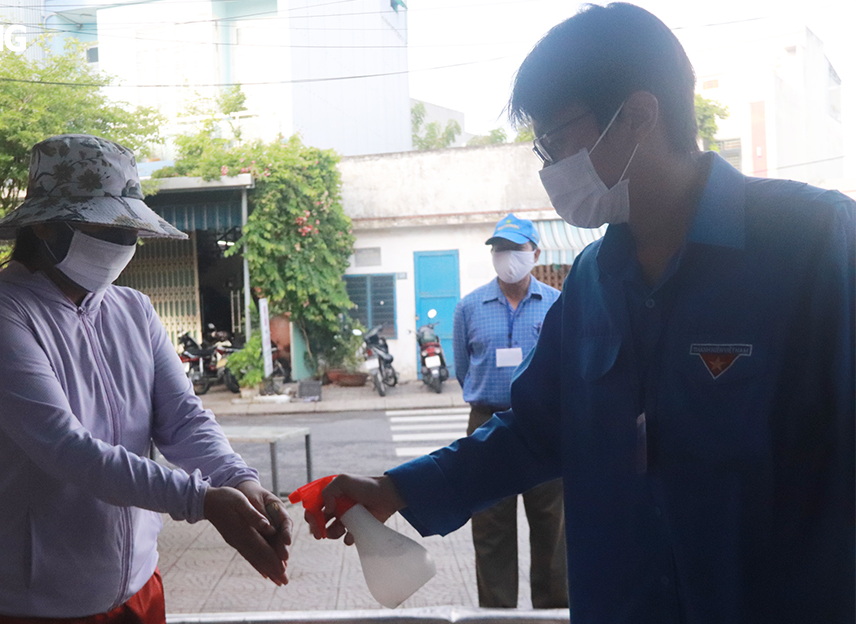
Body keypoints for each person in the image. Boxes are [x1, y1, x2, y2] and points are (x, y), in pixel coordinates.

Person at [304, 4, 855, 623]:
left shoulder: (813, 245)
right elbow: (540, 428)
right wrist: (398, 488)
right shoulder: (593, 278)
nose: (548, 169)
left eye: (557, 141)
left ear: (640, 116)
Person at [0, 134, 291, 621]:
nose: (124, 241)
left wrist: (237, 479)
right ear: (45, 225)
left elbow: (183, 419)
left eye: (129, 227)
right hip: (32, 600)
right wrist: (201, 499)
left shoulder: (133, 309)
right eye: (106, 226)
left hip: (136, 583)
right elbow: (67, 450)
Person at [452, 213, 566, 608]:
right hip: (487, 423)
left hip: (545, 423)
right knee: (490, 526)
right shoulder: (468, 307)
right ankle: (496, 614)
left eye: (516, 249)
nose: (507, 256)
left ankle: (552, 612)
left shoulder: (557, 305)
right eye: (500, 249)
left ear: (535, 252)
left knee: (552, 527)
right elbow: (463, 369)